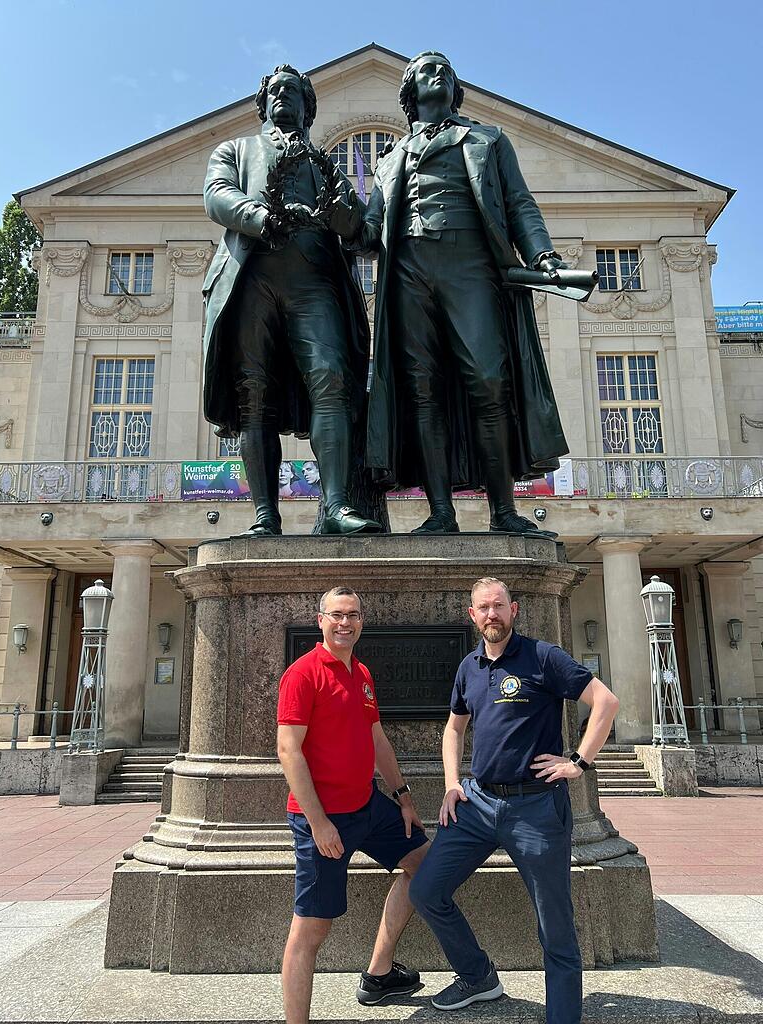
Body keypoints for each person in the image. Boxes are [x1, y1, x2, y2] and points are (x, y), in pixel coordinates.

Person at [360, 52, 568, 535]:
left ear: (456, 90)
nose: (440, 73)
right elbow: (370, 232)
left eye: (446, 71)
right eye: (428, 69)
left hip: (470, 266)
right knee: (421, 389)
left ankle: (503, 510)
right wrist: (338, 215)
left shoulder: (488, 140)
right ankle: (440, 513)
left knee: (489, 381)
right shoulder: (389, 159)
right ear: (411, 92)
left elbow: (520, 204)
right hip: (409, 272)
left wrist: (542, 255)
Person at [409, 577, 620, 1024]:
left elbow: (605, 701)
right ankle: (478, 975)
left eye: (499, 606)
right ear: (472, 614)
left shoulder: (543, 657)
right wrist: (451, 782)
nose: (492, 615)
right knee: (426, 890)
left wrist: (578, 763)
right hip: (478, 805)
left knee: (555, 926)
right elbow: (453, 728)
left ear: (514, 610)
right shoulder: (468, 666)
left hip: (536, 808)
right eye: (483, 608)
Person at [202, 64, 380, 536]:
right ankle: (265, 516)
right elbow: (216, 195)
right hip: (252, 277)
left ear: (307, 107)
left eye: (293, 91)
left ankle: (337, 506)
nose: (283, 96)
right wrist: (260, 215)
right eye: (275, 91)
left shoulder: (327, 166)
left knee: (332, 380)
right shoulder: (235, 150)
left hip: (315, 281)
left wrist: (347, 219)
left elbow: (363, 232)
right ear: (263, 104)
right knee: (252, 395)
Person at [277, 586, 430, 1024]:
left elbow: (376, 737)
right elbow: (289, 751)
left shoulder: (360, 672)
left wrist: (401, 797)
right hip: (323, 819)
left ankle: (379, 973)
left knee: (424, 861)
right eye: (338, 615)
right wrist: (319, 822)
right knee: (311, 929)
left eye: (354, 616)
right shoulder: (303, 674)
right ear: (321, 619)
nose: (346, 623)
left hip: (368, 806)